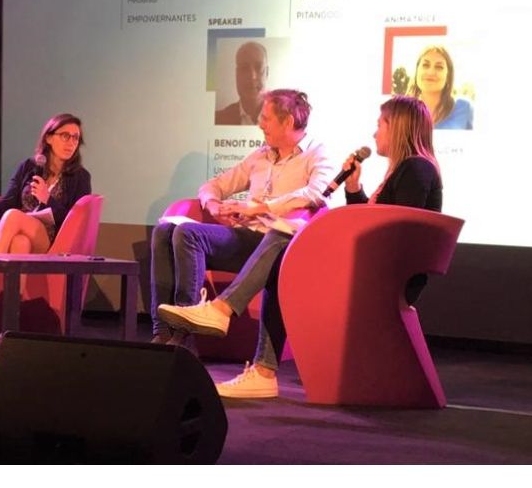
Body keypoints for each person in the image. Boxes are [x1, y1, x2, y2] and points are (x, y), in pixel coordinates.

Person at [159, 96, 442, 400]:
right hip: (372, 268)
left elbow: (398, 233)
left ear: (397, 127)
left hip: (386, 277)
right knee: (281, 255)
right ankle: (261, 369)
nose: (375, 133)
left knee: (285, 236)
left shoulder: (416, 169)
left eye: (380, 125)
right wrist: (353, 188)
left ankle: (225, 315)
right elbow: (373, 221)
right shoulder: (405, 170)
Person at [150, 89, 335, 349]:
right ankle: (161, 332)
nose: (260, 124)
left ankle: (184, 335)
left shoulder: (316, 153)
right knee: (164, 231)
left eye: (266, 118)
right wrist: (214, 205)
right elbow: (214, 185)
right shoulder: (260, 155)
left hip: (277, 242)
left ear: (288, 122)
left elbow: (317, 194)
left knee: (188, 234)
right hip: (244, 238)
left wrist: (259, 208)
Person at [0, 114, 92, 316]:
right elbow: (8, 204)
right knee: (20, 241)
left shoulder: (80, 177)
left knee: (14, 216)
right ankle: (13, 314)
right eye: (65, 136)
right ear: (49, 137)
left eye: (75, 138)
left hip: (53, 239)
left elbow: (75, 221)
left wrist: (48, 200)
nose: (71, 143)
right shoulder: (29, 167)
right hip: (22, 231)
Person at [408, 45, 473, 130]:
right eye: (425, 65)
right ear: (417, 71)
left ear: (448, 76)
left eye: (439, 67)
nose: (430, 72)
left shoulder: (464, 108)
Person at [214, 41, 268, 125]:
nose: (252, 76)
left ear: (267, 73)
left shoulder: (285, 119)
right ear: (237, 75)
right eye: (244, 68)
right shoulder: (218, 120)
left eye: (258, 67)